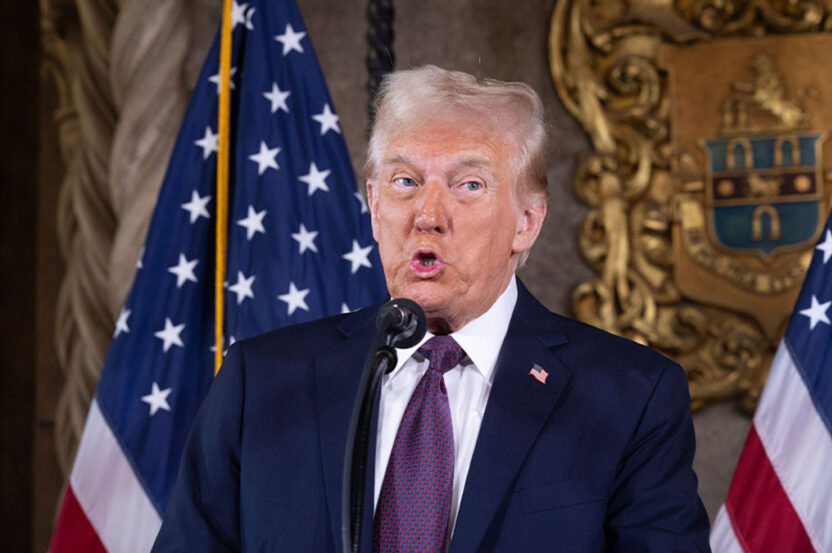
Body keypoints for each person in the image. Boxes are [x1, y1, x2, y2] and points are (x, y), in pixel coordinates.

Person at [153, 66, 710, 552]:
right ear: (375, 207)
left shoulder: (629, 398)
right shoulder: (262, 383)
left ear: (526, 222)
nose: (427, 214)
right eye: (405, 181)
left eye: (469, 185)